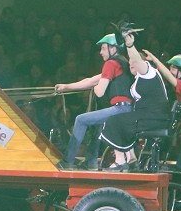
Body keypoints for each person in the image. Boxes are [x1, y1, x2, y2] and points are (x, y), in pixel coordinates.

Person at [53, 34, 132, 169]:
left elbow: (99, 91)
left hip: (121, 109)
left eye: (103, 48)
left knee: (80, 119)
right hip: (128, 110)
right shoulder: (122, 62)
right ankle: (91, 162)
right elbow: (91, 80)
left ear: (113, 48)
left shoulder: (111, 63)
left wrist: (96, 87)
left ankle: (68, 161)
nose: (100, 52)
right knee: (97, 125)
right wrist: (66, 87)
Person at [98, 27, 170, 169]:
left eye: (133, 61)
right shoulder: (138, 78)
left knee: (114, 120)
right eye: (129, 61)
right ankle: (131, 158)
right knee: (122, 119)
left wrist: (129, 45)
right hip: (150, 115)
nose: (131, 63)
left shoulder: (147, 72)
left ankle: (120, 160)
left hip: (153, 117)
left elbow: (137, 59)